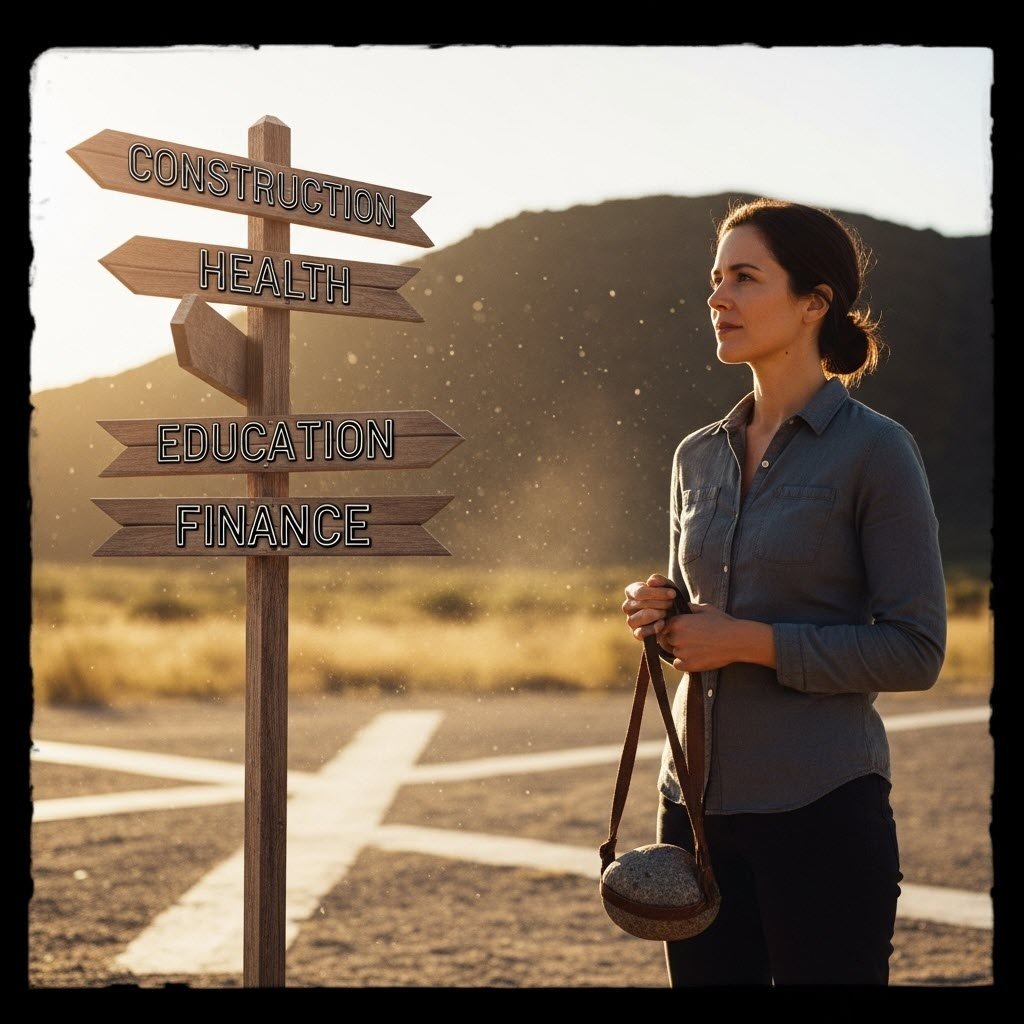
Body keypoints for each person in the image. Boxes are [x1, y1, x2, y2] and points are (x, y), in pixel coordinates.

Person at [621, 198, 947, 986]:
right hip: (692, 810)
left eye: (744, 278)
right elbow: (697, 633)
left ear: (814, 302)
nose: (718, 298)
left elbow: (916, 649)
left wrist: (751, 642)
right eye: (714, 279)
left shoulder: (878, 451)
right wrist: (662, 616)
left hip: (822, 810)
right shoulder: (694, 456)